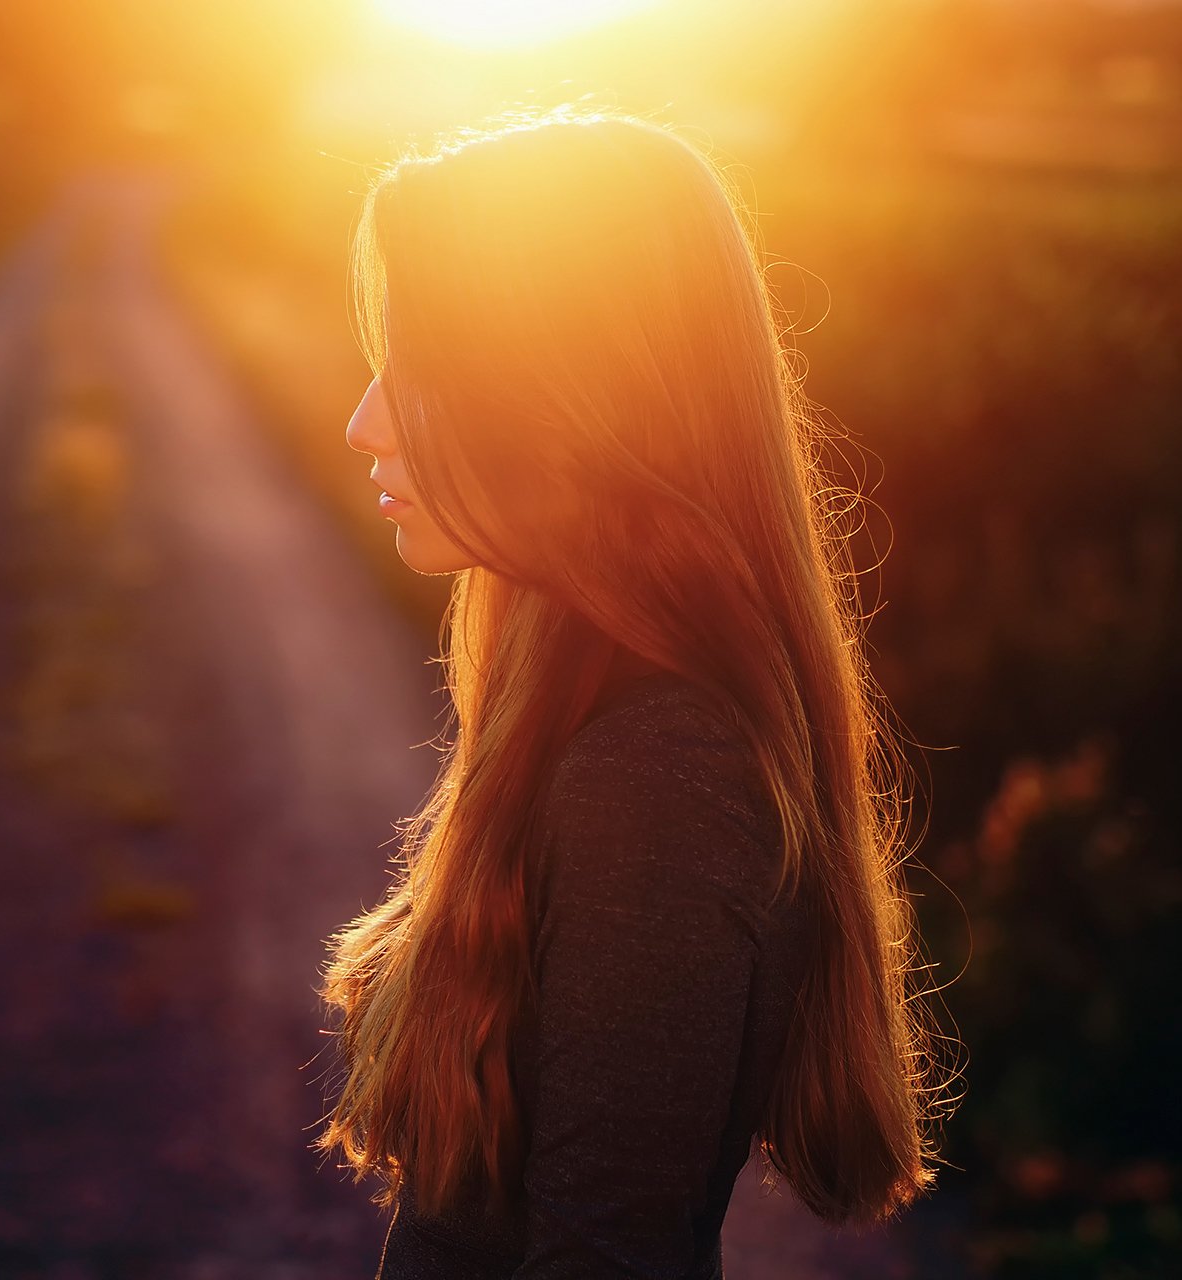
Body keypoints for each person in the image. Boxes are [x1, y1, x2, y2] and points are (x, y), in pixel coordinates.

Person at [314, 106, 957, 1278]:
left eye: (421, 369)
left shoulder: (660, 778)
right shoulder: (580, 709)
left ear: (570, 395)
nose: (365, 423)